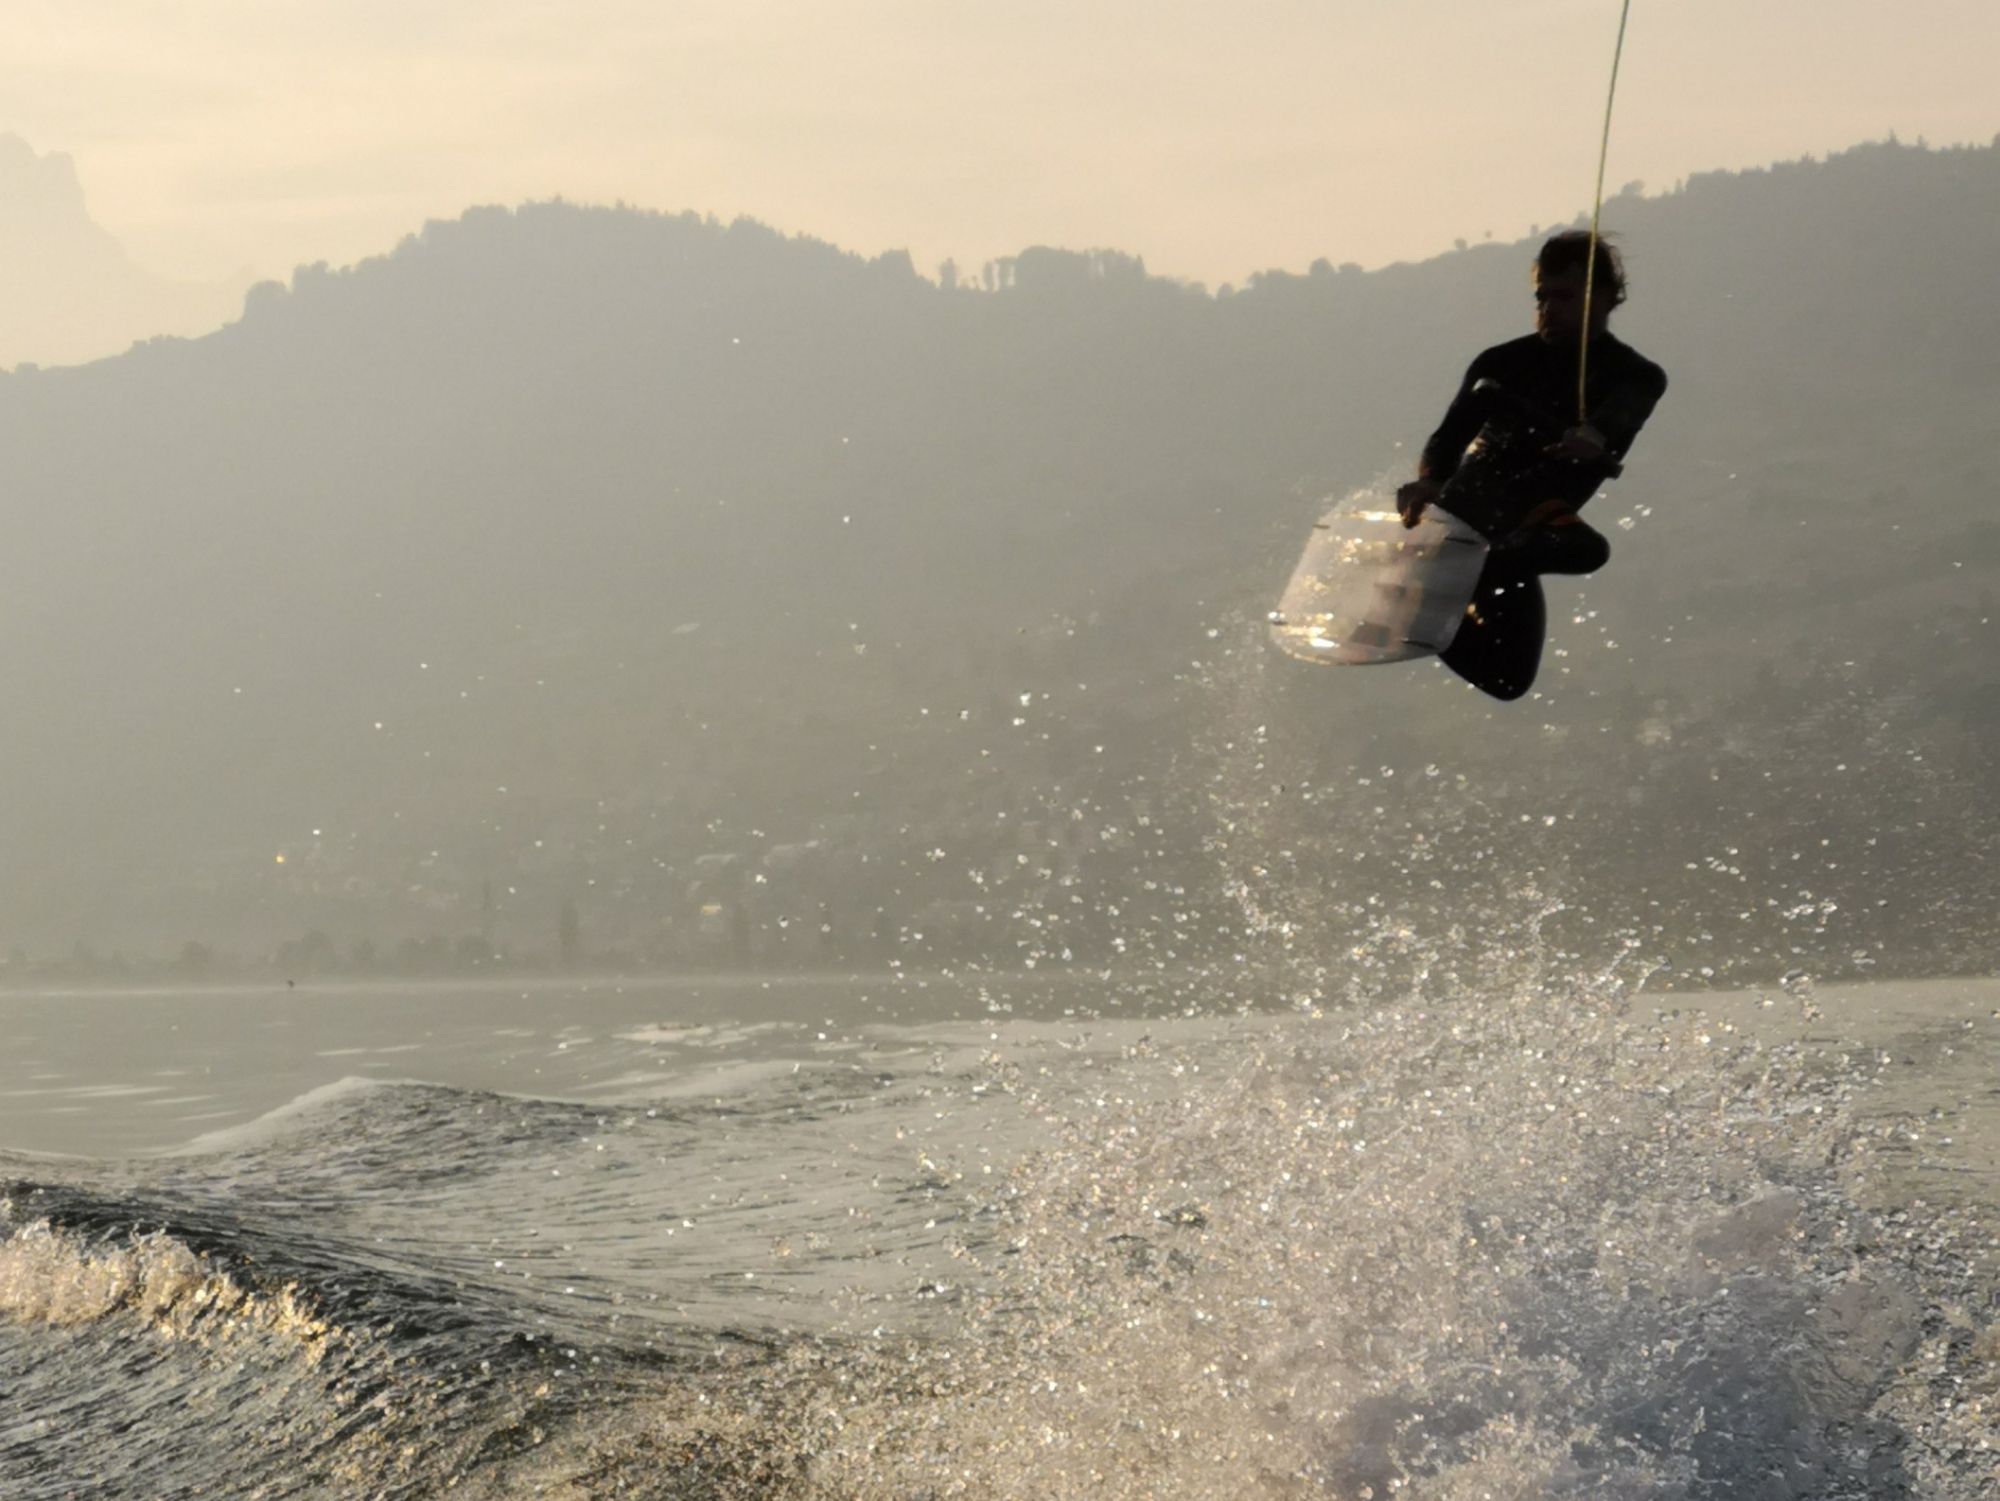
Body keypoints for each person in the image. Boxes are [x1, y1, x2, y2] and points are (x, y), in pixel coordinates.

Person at [1396, 231, 1667, 699]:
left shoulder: (1636, 375)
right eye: (1541, 296)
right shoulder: (1501, 364)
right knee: (1588, 550)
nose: (1548, 308)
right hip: (1475, 518)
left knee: (1508, 681)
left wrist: (1594, 436)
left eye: (1563, 297)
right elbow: (1446, 440)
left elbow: (1621, 411)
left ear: (1605, 297)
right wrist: (1428, 481)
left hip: (1525, 534)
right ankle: (1444, 584)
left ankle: (1419, 618)